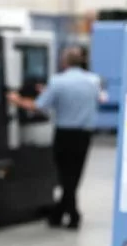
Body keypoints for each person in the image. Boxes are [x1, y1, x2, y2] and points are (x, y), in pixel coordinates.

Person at [9, 46, 102, 229]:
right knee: (74, 175)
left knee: (65, 175)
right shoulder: (94, 81)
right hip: (84, 135)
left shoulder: (57, 82)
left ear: (65, 62)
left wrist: (15, 99)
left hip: (64, 134)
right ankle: (59, 214)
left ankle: (73, 215)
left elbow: (38, 106)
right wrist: (48, 91)